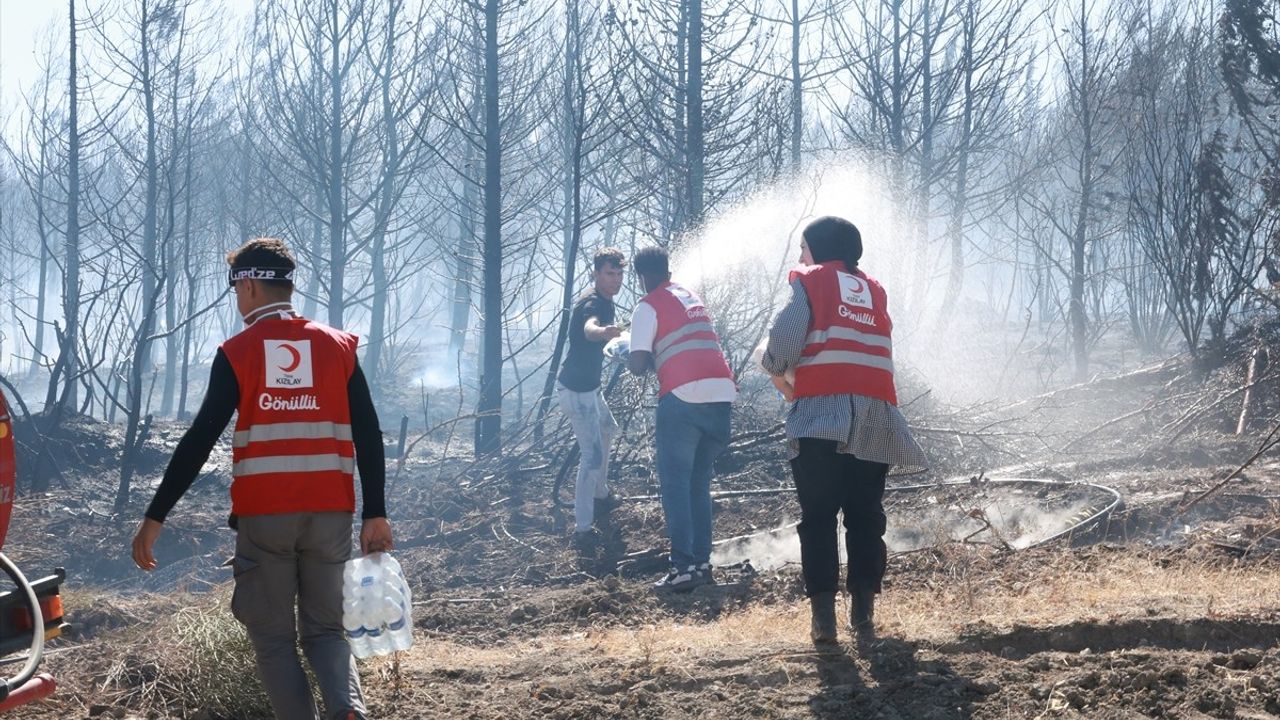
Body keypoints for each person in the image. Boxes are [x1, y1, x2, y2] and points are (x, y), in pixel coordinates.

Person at [131, 237, 393, 720]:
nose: (237, 300)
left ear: (248, 285)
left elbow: (200, 438)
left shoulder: (239, 351)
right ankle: (347, 710)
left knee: (274, 640)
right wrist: (375, 511)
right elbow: (368, 432)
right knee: (327, 632)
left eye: (236, 291)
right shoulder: (338, 347)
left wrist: (155, 515)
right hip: (331, 515)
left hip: (266, 518)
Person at [761, 216, 926, 644]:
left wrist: (774, 367)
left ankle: (824, 622)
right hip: (876, 417)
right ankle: (863, 618)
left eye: (803, 248)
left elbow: (784, 340)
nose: (800, 257)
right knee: (865, 518)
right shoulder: (875, 291)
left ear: (818, 249)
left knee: (818, 519)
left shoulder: (812, 280)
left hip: (823, 416)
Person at [627, 246, 737, 591]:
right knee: (698, 484)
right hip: (722, 396)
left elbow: (637, 365)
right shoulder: (690, 296)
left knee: (676, 485)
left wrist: (623, 351)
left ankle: (682, 568)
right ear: (668, 270)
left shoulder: (648, 305)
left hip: (684, 398)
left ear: (641, 277)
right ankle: (701, 565)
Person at [557, 248, 627, 543]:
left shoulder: (604, 299)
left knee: (608, 428)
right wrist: (604, 332)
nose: (616, 279)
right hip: (576, 392)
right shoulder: (593, 303)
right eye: (610, 273)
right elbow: (589, 329)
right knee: (592, 455)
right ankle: (583, 529)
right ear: (596, 274)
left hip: (590, 388)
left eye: (619, 273)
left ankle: (600, 493)